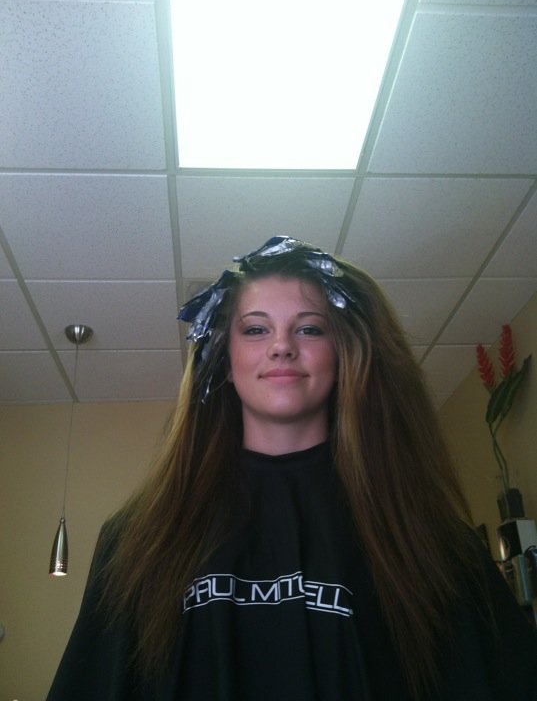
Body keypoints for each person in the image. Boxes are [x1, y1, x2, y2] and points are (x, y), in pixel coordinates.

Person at [47, 236, 537, 701]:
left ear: (343, 352)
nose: (281, 346)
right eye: (256, 329)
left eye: (309, 328)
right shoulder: (138, 541)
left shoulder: (427, 541)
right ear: (225, 358)